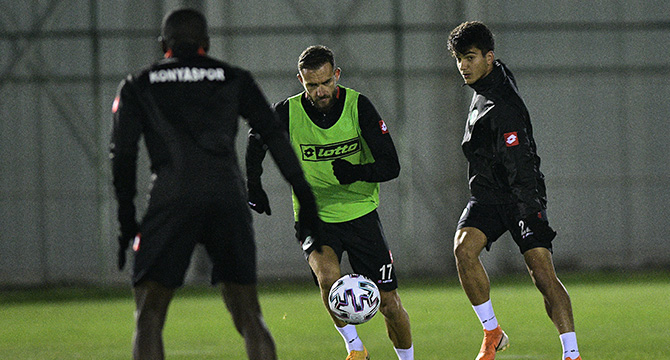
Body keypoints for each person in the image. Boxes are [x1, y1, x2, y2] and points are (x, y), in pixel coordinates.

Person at [110, 8, 320, 360]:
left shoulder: (138, 85)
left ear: (164, 44)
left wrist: (126, 221)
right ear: (206, 43)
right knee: (249, 313)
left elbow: (122, 155)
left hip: (170, 197)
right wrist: (305, 197)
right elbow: (274, 136)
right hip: (226, 196)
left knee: (148, 315)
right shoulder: (233, 77)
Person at [246, 45, 414, 360]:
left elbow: (392, 165)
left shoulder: (359, 106)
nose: (320, 91)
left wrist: (356, 173)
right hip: (314, 215)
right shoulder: (287, 111)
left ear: (336, 75)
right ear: (300, 80)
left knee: (390, 304)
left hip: (360, 214)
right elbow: (256, 139)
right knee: (328, 280)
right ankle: (355, 348)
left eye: (325, 82)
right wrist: (253, 185)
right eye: (312, 85)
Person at [447, 21, 582, 360]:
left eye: (471, 57)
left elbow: (519, 160)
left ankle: (571, 353)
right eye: (459, 58)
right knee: (464, 250)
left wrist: (529, 208)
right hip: (489, 194)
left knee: (541, 274)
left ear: (489, 58)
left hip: (520, 195)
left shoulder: (503, 107)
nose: (463, 66)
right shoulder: (490, 79)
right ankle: (492, 332)